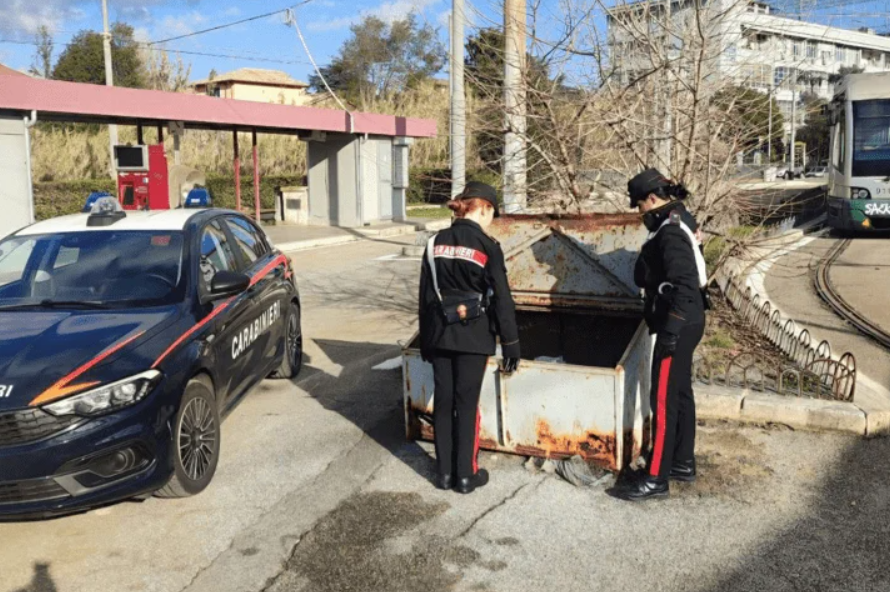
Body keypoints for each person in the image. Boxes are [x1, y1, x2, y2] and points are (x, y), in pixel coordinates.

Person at [418, 181, 521, 494]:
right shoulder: (488, 246)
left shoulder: (433, 242)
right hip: (474, 336)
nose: (492, 219)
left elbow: (425, 296)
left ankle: (444, 474)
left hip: (439, 332)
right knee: (466, 404)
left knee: (444, 402)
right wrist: (511, 342)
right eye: (493, 213)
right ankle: (466, 475)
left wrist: (426, 339)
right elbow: (502, 298)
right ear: (485, 208)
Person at [622, 168, 708, 502]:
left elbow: (685, 284)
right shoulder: (679, 217)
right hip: (690, 320)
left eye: (639, 205)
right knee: (681, 393)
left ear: (652, 199)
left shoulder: (669, 232)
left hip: (680, 322)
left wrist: (670, 329)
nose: (639, 212)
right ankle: (682, 463)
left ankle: (656, 477)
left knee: (663, 399)